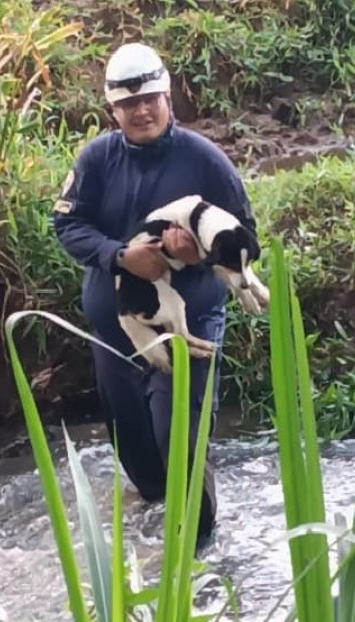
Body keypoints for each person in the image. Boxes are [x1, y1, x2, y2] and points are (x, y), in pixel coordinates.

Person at [51, 42, 260, 547]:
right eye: (128, 104)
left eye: (150, 99)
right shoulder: (97, 159)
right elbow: (66, 223)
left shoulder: (206, 161)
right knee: (142, 463)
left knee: (182, 448)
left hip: (188, 329)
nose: (141, 111)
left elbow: (244, 237)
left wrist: (194, 253)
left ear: (168, 97)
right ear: (112, 109)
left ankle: (201, 559)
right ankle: (151, 562)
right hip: (117, 333)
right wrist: (122, 256)